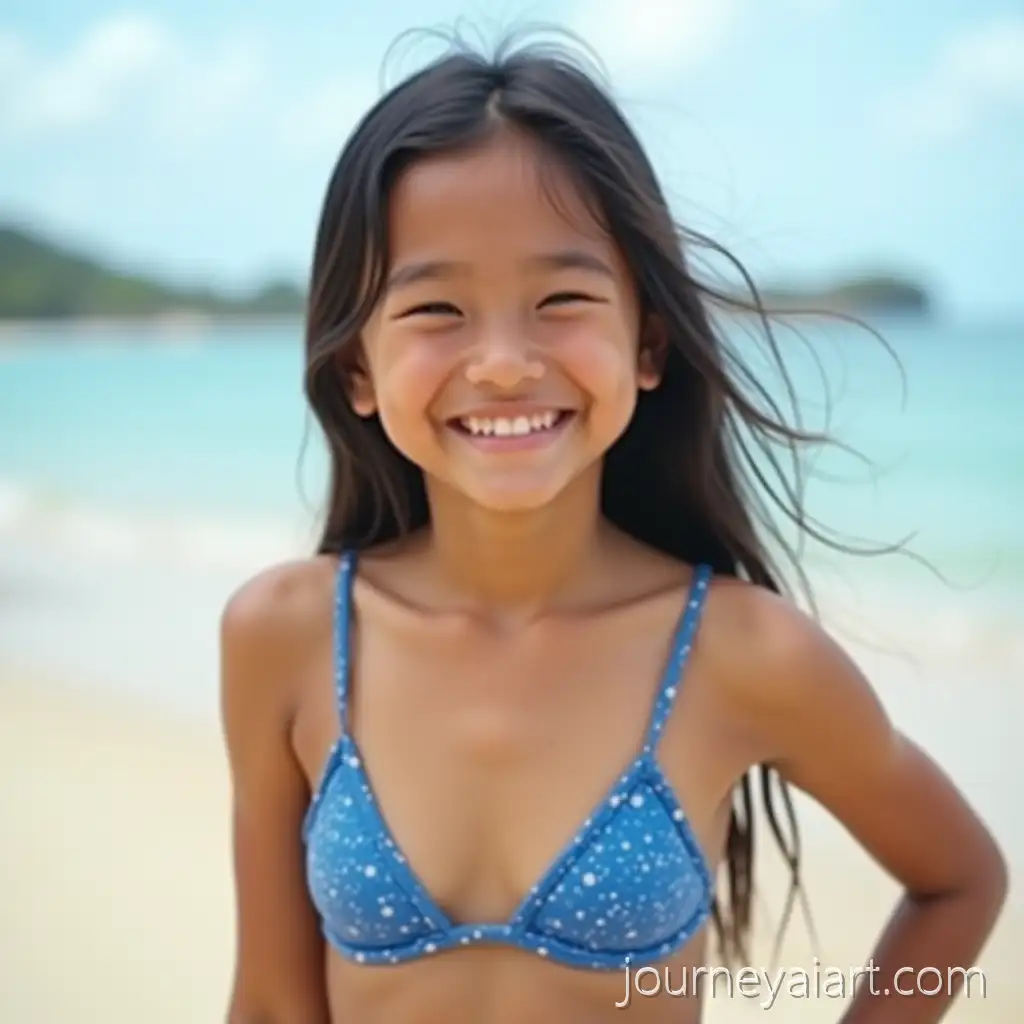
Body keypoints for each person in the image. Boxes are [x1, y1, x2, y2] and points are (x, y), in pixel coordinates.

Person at [219, 29, 1008, 1024]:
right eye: (437, 310)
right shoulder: (286, 636)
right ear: (357, 370)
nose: (504, 362)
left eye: (560, 299)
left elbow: (960, 879)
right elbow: (271, 1002)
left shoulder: (743, 653)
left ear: (647, 344)